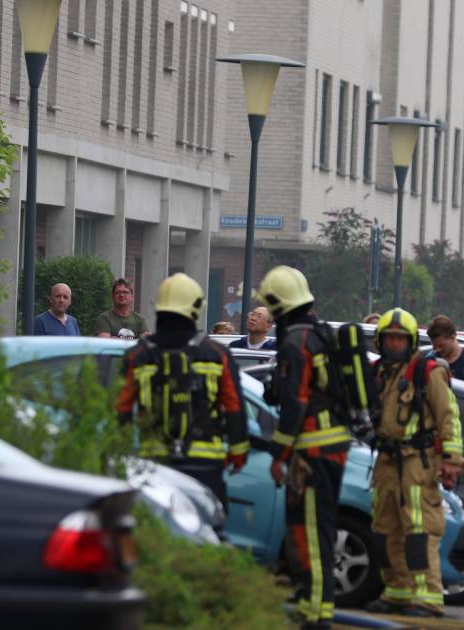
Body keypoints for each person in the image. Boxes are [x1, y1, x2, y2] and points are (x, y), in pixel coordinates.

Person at [257, 265, 349, 630]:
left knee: (309, 532)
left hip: (313, 449)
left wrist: (279, 455)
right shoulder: (322, 334)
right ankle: (314, 605)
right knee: (317, 530)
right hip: (330, 446)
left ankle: (316, 613)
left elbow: (294, 403)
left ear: (279, 306)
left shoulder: (296, 342)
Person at [116, 273, 248, 512]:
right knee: (207, 536)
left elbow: (120, 411)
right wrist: (238, 454)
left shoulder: (137, 355)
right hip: (206, 465)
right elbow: (235, 408)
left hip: (154, 466)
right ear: (197, 308)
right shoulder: (216, 354)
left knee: (158, 538)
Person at [365, 308, 464, 618]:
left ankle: (428, 596)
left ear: (409, 342)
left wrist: (451, 460)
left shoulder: (428, 371)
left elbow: (449, 416)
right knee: (384, 527)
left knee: (419, 528)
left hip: (417, 462)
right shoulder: (379, 373)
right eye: (389, 338)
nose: (394, 344)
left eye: (400, 338)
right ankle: (397, 590)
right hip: (385, 460)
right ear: (380, 342)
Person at [428, 315, 464, 396]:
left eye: (441, 345)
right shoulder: (428, 360)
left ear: (453, 337)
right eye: (435, 346)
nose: (438, 350)